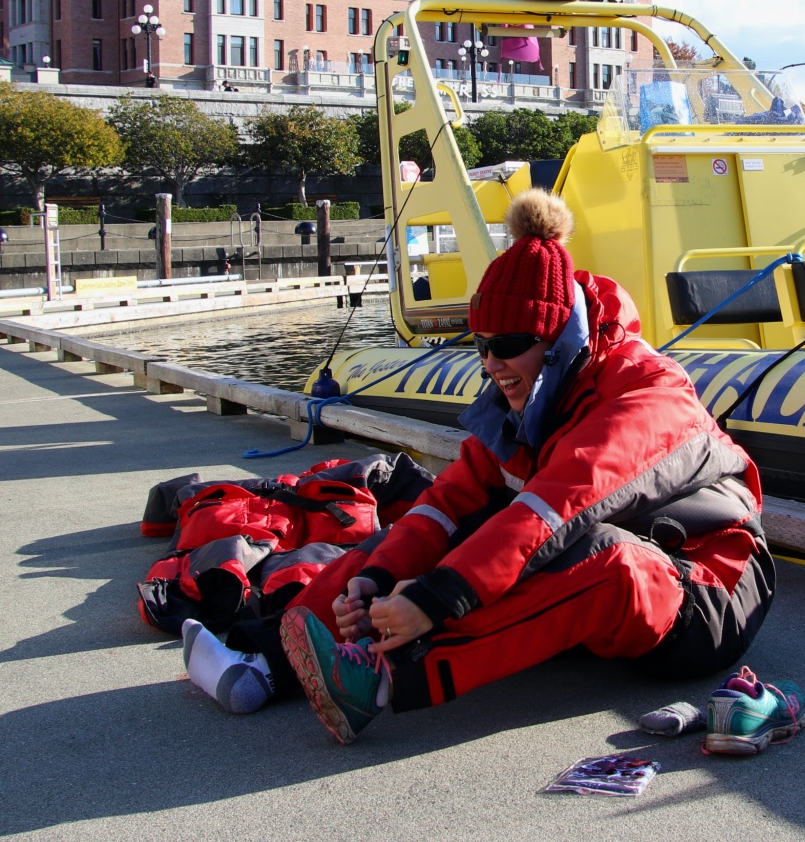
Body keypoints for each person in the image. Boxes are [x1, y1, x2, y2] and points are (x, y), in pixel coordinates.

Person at [275, 189, 774, 744]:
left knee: (607, 557)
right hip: (598, 553)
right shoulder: (523, 402)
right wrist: (378, 580)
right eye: (481, 345)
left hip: (706, 588)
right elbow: (445, 506)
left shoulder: (648, 392)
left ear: (559, 339)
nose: (492, 363)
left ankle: (383, 678)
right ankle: (277, 652)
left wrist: (433, 599)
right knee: (452, 522)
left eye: (509, 344)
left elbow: (558, 506)